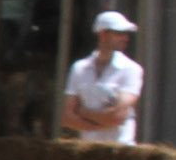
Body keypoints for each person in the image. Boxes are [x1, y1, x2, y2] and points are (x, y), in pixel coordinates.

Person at [61, 10, 146, 143]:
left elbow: (117, 116)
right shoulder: (79, 68)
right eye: (119, 33)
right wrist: (103, 119)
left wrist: (83, 112)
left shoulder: (131, 69)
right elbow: (67, 117)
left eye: (126, 34)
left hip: (121, 149)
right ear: (103, 35)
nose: (125, 38)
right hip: (88, 150)